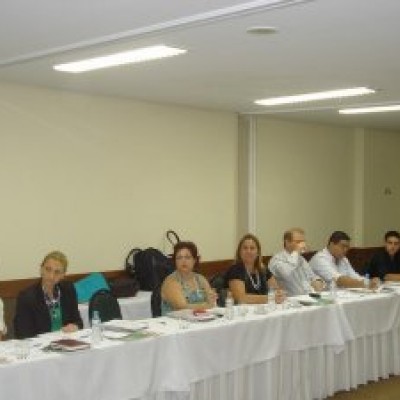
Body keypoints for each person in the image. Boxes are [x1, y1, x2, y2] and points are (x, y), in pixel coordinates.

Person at [14, 251, 83, 339]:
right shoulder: (27, 297)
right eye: (48, 269)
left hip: (66, 342)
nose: (51, 276)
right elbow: (23, 333)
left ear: (63, 275)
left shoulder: (68, 289)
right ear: (41, 269)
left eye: (57, 272)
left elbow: (78, 321)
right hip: (40, 347)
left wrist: (75, 327)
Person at [225, 233, 284, 304]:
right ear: (239, 252)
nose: (248, 251)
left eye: (252, 248)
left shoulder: (263, 269)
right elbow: (241, 298)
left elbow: (275, 289)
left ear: (258, 252)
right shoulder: (235, 270)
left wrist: (279, 294)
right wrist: (270, 298)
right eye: (245, 248)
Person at [161, 241, 217, 315]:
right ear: (175, 261)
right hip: (176, 323)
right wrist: (208, 305)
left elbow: (211, 300)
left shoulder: (200, 279)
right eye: (179, 258)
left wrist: (211, 302)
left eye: (187, 257)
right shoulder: (171, 281)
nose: (183, 261)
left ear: (194, 260)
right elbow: (182, 307)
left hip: (200, 319)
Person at [268, 228, 325, 296]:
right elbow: (286, 274)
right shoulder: (277, 259)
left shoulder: (301, 259)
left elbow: (312, 276)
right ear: (287, 242)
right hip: (289, 300)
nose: (302, 245)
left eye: (303, 241)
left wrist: (318, 281)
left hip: (307, 297)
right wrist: (296, 252)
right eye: (298, 242)